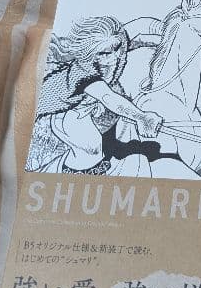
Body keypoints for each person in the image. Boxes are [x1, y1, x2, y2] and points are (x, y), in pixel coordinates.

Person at [35, 16, 168, 176]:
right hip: (65, 113)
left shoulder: (114, 47)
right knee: (93, 149)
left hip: (89, 104)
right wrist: (142, 117)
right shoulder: (83, 73)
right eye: (104, 53)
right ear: (90, 54)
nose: (114, 56)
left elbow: (138, 34)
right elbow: (108, 97)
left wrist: (170, 41)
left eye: (116, 48)